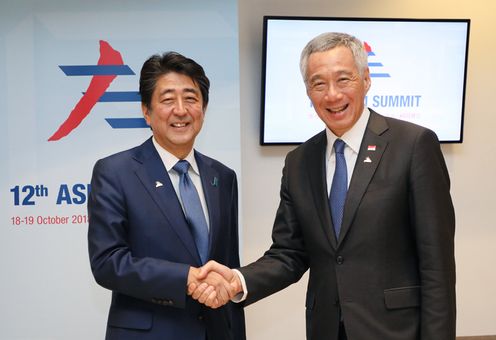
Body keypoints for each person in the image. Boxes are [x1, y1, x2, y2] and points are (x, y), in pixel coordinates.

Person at [191, 32, 456, 339]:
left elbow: (437, 265)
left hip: (395, 331)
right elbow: (289, 254)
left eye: (344, 79)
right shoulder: (299, 161)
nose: (332, 95)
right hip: (326, 329)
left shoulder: (413, 145)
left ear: (366, 80)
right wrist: (238, 281)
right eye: (319, 83)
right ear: (308, 91)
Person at [87, 51, 245, 340]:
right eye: (168, 99)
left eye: (191, 98)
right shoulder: (115, 172)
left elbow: (228, 265)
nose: (181, 110)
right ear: (146, 111)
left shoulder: (223, 177)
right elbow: (107, 263)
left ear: (204, 109)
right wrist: (182, 278)